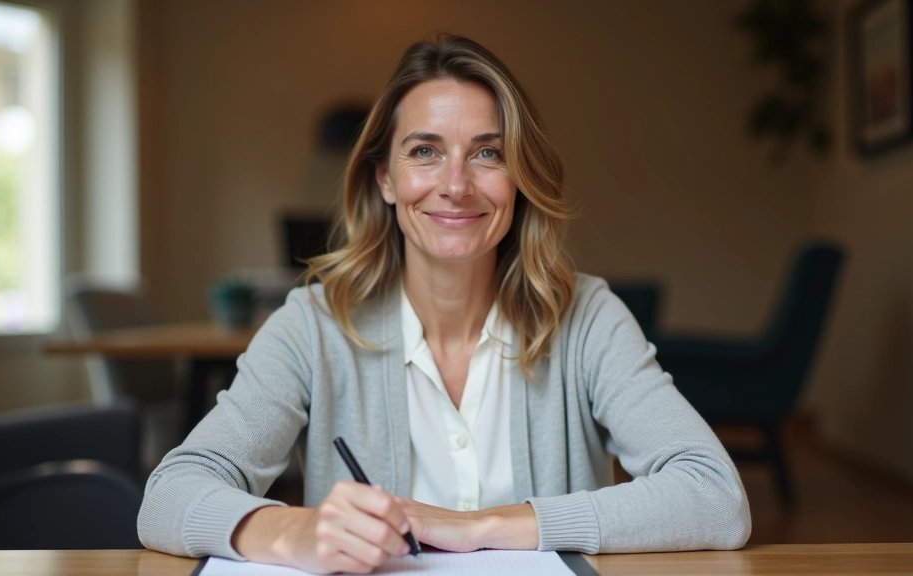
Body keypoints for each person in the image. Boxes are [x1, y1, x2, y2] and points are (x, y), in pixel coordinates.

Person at [138, 35, 751, 573]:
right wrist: (294, 530)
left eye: (487, 152)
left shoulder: (587, 318)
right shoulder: (312, 327)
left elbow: (715, 495)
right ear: (385, 179)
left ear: (519, 177)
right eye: (425, 151)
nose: (455, 185)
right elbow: (169, 495)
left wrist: (481, 527)